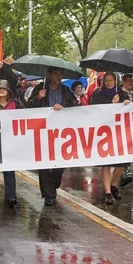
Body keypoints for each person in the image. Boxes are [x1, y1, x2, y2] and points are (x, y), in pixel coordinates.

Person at [27, 67, 78, 206]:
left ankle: (54, 183)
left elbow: (75, 106)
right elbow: (28, 107)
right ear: (50, 75)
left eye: (60, 74)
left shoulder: (66, 91)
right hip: (43, 130)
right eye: (56, 74)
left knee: (59, 161)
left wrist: (64, 107)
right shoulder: (40, 88)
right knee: (43, 162)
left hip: (61, 131)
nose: (59, 76)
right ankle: (48, 195)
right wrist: (38, 98)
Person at [89, 71, 130, 205]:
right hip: (104, 130)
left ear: (115, 81)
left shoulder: (122, 93)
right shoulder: (97, 94)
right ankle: (107, 192)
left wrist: (126, 104)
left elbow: (129, 110)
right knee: (106, 163)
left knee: (122, 162)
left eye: (111, 80)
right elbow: (95, 110)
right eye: (106, 80)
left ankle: (113, 184)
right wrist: (111, 103)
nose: (109, 83)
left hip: (118, 131)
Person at [0, 79, 23, 208]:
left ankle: (11, 196)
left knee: (9, 169)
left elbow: (26, 116)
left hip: (9, 140)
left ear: (8, 92)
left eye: (4, 88)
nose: (1, 90)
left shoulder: (16, 104)